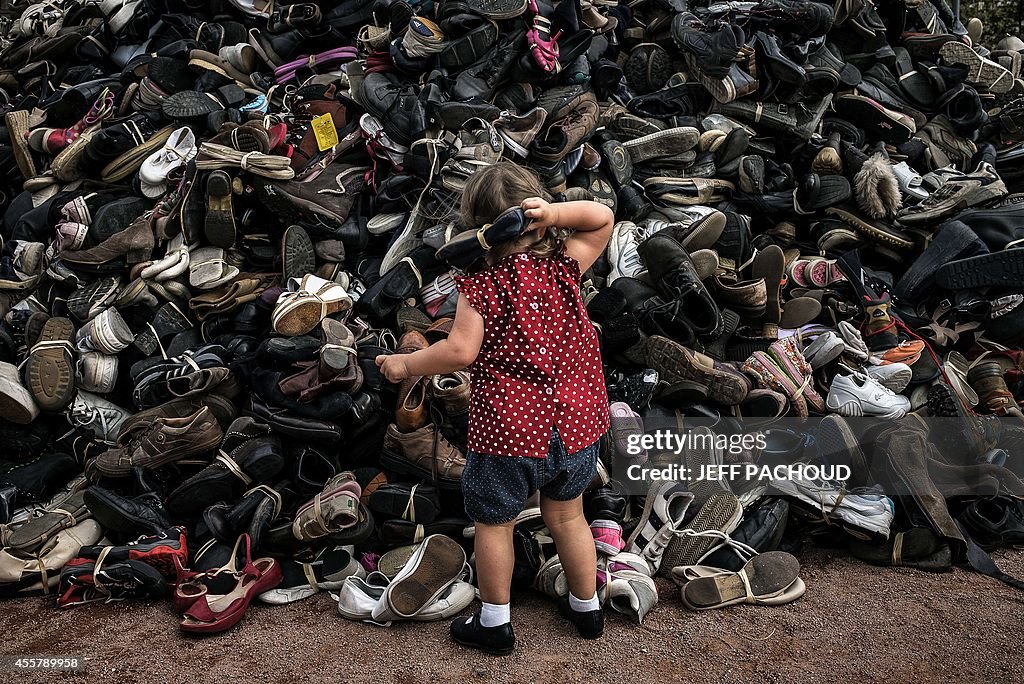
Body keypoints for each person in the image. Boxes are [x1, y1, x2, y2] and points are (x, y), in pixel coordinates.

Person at [376, 162, 615, 655]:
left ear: (476, 229)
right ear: (537, 213)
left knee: (494, 523)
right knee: (569, 517)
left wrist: (405, 366)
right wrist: (555, 213)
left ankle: (495, 623)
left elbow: (460, 352)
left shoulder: (482, 286)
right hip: (577, 424)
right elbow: (601, 217)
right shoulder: (566, 263)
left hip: (511, 429)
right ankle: (587, 608)